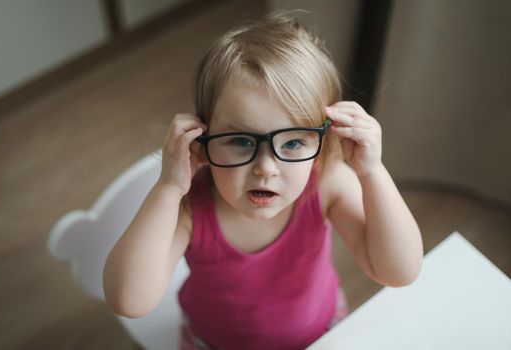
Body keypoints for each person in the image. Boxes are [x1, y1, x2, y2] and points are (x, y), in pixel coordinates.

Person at [103, 12, 423, 350]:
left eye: (294, 142)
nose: (267, 168)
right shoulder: (191, 208)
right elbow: (129, 300)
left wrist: (372, 172)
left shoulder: (328, 184)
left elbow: (398, 271)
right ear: (203, 138)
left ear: (322, 141)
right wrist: (168, 188)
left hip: (319, 334)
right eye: (241, 141)